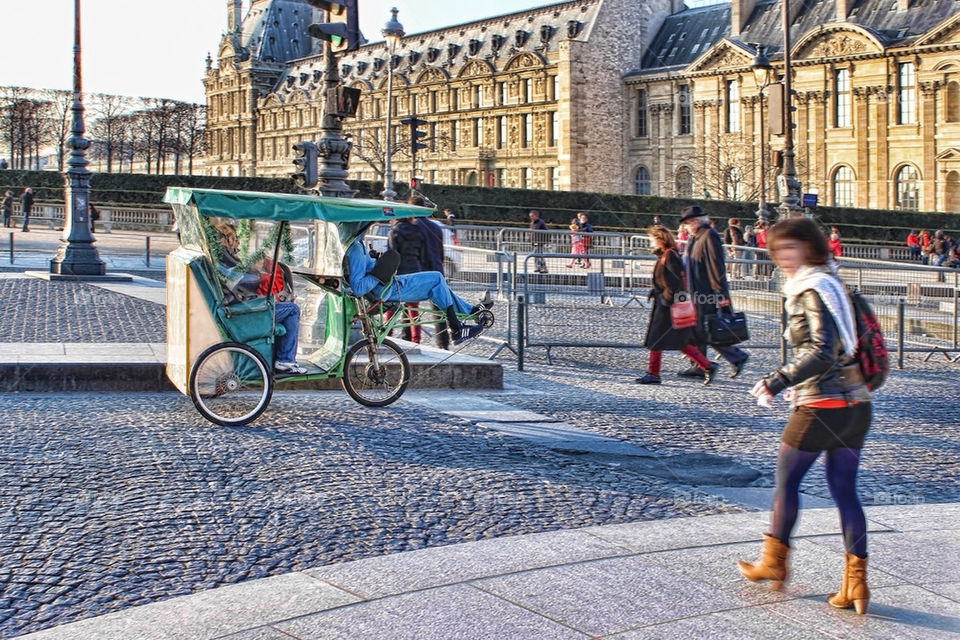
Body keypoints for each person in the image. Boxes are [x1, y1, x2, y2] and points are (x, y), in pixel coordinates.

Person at [739, 217, 872, 615]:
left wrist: (776, 381)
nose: (782, 258)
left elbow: (821, 350)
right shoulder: (835, 285)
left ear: (810, 248)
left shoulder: (811, 289)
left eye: (790, 249)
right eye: (777, 251)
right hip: (857, 404)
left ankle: (774, 562)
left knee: (786, 483)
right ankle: (856, 584)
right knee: (845, 491)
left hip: (822, 405)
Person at [344, 234, 490, 345]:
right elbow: (358, 288)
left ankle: (473, 313)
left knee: (438, 286)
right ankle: (457, 329)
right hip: (388, 290)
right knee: (437, 278)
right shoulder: (356, 248)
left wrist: (375, 261)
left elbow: (363, 272)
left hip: (389, 285)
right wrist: (379, 274)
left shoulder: (357, 245)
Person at [636, 225, 717, 385]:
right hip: (667, 304)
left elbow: (675, 283)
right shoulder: (666, 255)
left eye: (652, 240)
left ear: (660, 240)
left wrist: (665, 299)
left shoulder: (670, 256)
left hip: (667, 306)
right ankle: (707, 365)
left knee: (656, 340)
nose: (650, 243)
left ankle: (653, 373)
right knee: (680, 342)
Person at [679, 205, 749, 378]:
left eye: (687, 223)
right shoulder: (694, 237)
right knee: (698, 330)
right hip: (696, 293)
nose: (685, 227)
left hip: (707, 293)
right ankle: (701, 364)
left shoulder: (709, 236)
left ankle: (734, 357)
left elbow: (716, 268)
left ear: (695, 222)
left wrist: (721, 295)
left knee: (706, 330)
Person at [257, 257, 307, 375]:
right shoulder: (255, 266)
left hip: (256, 306)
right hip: (256, 310)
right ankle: (285, 359)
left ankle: (285, 358)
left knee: (289, 309)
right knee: (293, 309)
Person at [386, 214, 426, 344]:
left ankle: (387, 334)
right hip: (415, 270)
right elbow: (422, 254)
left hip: (399, 272)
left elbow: (392, 254)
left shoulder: (394, 231)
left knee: (392, 305)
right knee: (413, 308)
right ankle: (416, 340)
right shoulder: (418, 231)